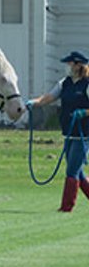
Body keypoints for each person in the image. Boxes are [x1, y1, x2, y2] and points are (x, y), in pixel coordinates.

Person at [27, 50, 89, 210]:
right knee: (77, 171)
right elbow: (50, 97)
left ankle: (66, 207)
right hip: (69, 131)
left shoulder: (87, 83)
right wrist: (35, 102)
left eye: (69, 63)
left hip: (84, 134)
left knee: (72, 170)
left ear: (77, 65)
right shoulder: (65, 83)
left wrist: (84, 112)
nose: (67, 66)